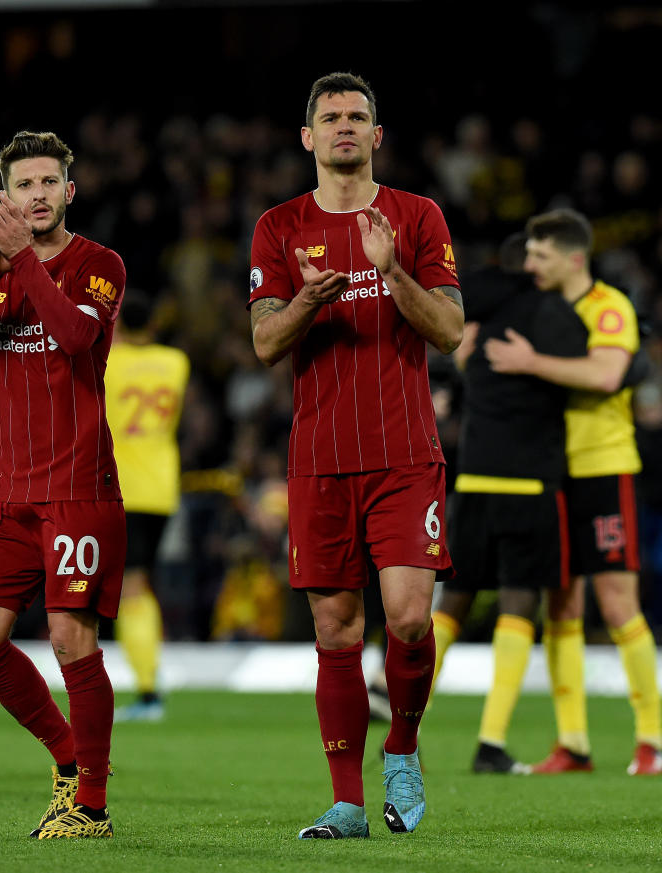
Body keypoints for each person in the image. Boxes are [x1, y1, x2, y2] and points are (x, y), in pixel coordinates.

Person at [248, 72, 463, 839]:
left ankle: (401, 748)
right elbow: (266, 342)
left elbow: (448, 330)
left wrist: (391, 270)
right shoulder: (278, 226)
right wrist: (310, 297)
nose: (345, 125)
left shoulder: (417, 216)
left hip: (405, 453)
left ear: (377, 135)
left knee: (407, 620)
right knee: (336, 630)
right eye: (330, 117)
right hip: (319, 459)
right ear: (307, 137)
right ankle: (347, 801)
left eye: (359, 116)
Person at [0, 130, 127, 838]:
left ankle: (92, 806)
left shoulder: (99, 264)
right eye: (23, 185)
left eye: (49, 182)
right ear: (4, 195)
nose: (37, 195)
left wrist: (22, 264)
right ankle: (68, 754)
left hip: (78, 485)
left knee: (73, 639)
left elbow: (75, 337)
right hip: (9, 491)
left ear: (70, 191)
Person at [484, 208, 662, 776]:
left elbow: (608, 375)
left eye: (540, 255)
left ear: (573, 259)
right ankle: (574, 743)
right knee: (560, 603)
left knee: (616, 603)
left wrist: (532, 362)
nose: (529, 264)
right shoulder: (544, 311)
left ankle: (653, 739)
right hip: (551, 474)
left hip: (604, 469)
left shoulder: (608, 306)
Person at [429, 232, 589, 774]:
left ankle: (405, 721)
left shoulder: (481, 309)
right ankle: (490, 743)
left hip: (475, 479)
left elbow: (455, 328)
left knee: (454, 601)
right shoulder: (560, 315)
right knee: (519, 607)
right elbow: (594, 380)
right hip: (530, 482)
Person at [104, 290, 189, 722]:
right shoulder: (176, 363)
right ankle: (148, 685)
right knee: (138, 584)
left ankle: (149, 691)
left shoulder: (107, 363)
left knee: (130, 588)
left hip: (122, 486)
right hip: (161, 487)